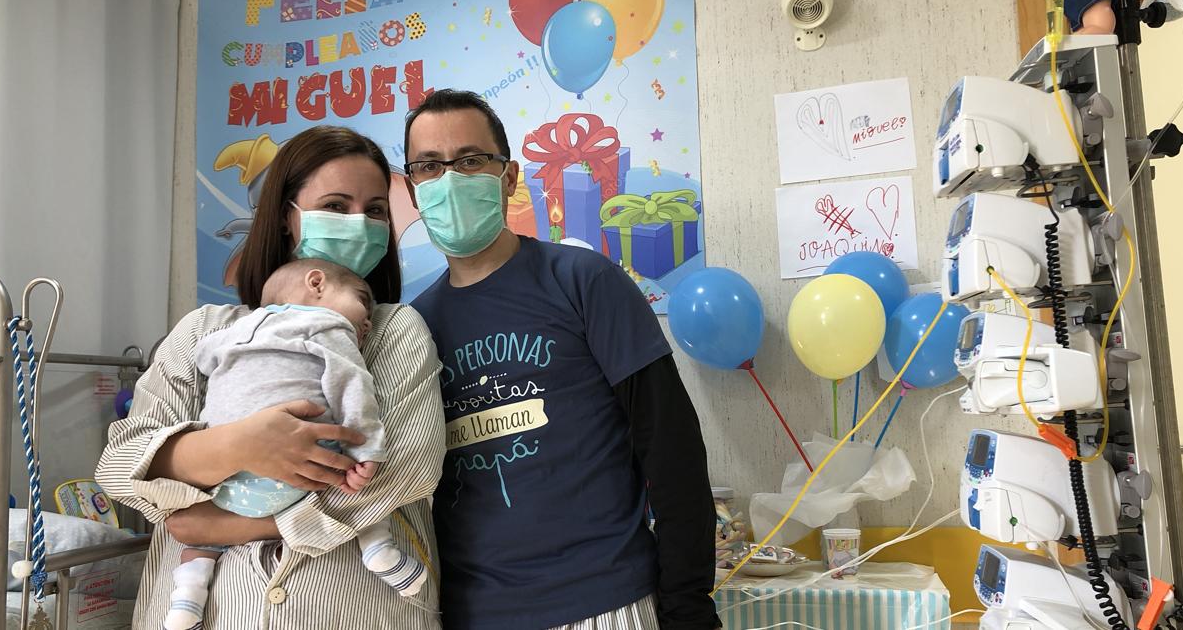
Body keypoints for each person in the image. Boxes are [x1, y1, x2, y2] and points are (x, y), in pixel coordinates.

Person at [95, 125, 445, 630]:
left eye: (373, 211)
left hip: (357, 608)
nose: (359, 223)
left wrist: (230, 524)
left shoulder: (391, 331)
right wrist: (239, 445)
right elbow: (121, 465)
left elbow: (407, 469)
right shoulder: (206, 331)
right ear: (286, 216)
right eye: (335, 205)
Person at [405, 90, 721, 630]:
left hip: (607, 601)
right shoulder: (413, 328)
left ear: (508, 178)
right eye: (429, 166)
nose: (450, 179)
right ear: (413, 190)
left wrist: (688, 601)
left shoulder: (584, 281)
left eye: (470, 160)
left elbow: (671, 446)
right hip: (474, 612)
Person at [164, 258, 427, 630]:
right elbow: (353, 389)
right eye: (362, 304)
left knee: (200, 545)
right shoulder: (329, 325)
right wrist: (365, 450)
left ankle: (187, 597)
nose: (367, 322)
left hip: (229, 488)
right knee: (354, 485)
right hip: (307, 473)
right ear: (316, 284)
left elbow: (203, 362)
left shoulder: (226, 333)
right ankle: (379, 549)